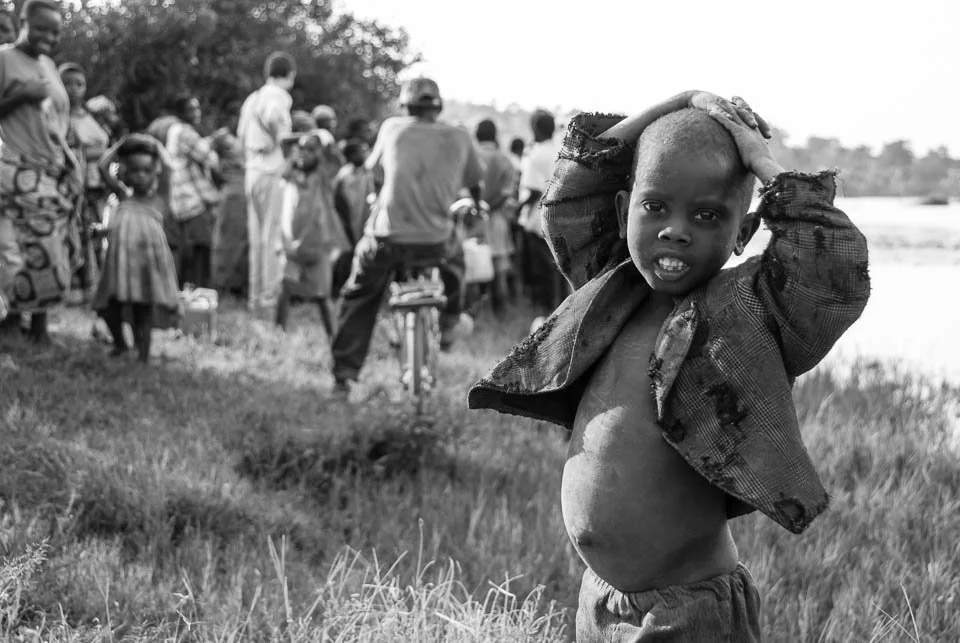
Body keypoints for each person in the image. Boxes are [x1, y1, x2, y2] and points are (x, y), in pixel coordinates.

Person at [468, 92, 871, 640]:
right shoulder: (609, 288)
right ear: (621, 211)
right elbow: (572, 190)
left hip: (687, 611)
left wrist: (758, 159)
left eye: (707, 216)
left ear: (743, 233)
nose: (675, 230)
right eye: (654, 206)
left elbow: (829, 267)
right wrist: (678, 101)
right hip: (602, 602)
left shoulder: (749, 313)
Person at [330, 77, 483, 395]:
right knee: (455, 259)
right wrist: (477, 203)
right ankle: (451, 321)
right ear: (437, 107)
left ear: (405, 105)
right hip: (434, 242)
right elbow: (475, 183)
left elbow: (374, 173)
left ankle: (344, 376)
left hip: (388, 238)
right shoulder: (459, 135)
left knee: (360, 295)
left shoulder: (392, 128)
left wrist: (377, 196)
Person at [0, 0, 83, 344]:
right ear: (23, 21)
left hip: (53, 169)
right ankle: (10, 323)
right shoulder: (4, 58)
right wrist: (20, 97)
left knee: (52, 245)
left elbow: (56, 117)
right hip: (16, 168)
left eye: (56, 31)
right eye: (42, 28)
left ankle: (39, 325)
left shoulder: (48, 64)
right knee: (18, 247)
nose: (49, 37)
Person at [92, 134, 179, 364]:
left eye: (147, 170)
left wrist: (156, 146)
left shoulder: (158, 200)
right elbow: (102, 166)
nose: (141, 175)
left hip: (146, 267)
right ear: (125, 172)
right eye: (135, 170)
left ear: (154, 173)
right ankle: (121, 345)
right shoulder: (123, 195)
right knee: (109, 307)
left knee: (143, 311)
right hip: (121, 265)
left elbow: (169, 167)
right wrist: (122, 144)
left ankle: (144, 355)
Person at [237, 51, 295, 317]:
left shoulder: (253, 98)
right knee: (272, 240)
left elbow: (240, 135)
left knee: (257, 239)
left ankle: (255, 301)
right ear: (290, 74)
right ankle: (269, 306)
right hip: (271, 170)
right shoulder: (277, 96)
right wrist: (284, 145)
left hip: (252, 169)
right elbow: (273, 118)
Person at [276, 130, 349, 338]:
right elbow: (282, 141)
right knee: (285, 288)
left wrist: (323, 141)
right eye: (301, 149)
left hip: (318, 244)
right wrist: (305, 136)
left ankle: (333, 336)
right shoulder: (291, 174)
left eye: (310, 150)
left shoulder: (324, 175)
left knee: (322, 294)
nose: (303, 154)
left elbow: (337, 160)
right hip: (291, 245)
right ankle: (279, 332)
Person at [147, 93, 220, 288]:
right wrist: (213, 143)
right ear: (180, 113)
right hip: (191, 199)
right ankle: (200, 291)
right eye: (191, 109)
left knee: (188, 249)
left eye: (197, 108)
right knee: (201, 248)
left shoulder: (175, 131)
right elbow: (210, 158)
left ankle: (186, 290)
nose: (196, 113)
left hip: (179, 199)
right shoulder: (185, 132)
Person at [60, 62, 111, 304]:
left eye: (79, 84)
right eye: (67, 83)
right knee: (76, 235)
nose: (73, 89)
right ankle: (72, 291)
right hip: (73, 185)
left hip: (97, 185)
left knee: (96, 237)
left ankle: (94, 288)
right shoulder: (58, 117)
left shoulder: (91, 116)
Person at [518, 109, 566, 317]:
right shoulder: (560, 150)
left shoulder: (535, 155)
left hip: (537, 219)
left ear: (535, 128)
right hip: (558, 215)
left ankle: (546, 309)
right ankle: (561, 305)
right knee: (558, 265)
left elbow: (534, 190)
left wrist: (518, 209)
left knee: (541, 268)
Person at [474, 119, 517, 314]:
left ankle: (476, 313)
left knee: (474, 269)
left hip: (473, 219)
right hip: (497, 218)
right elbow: (507, 193)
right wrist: (491, 206)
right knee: (499, 270)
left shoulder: (472, 156)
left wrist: (479, 206)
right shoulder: (504, 159)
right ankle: (501, 312)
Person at [209, 127, 249, 297]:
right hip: (235, 199)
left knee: (234, 243)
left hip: (234, 197)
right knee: (233, 244)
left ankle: (232, 284)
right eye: (230, 142)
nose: (234, 142)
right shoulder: (234, 159)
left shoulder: (229, 160)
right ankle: (228, 285)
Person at [331, 138, 374, 296]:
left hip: (363, 220)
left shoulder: (366, 172)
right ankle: (338, 288)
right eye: (359, 152)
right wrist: (346, 225)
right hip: (346, 223)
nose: (363, 155)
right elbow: (339, 202)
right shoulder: (345, 175)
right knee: (345, 255)